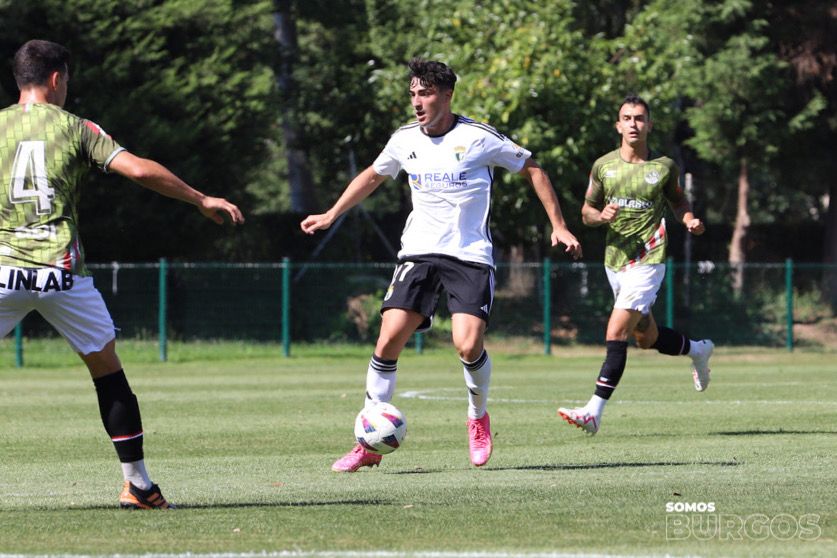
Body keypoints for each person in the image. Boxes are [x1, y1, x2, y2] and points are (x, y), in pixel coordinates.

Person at [301, 58, 582, 472]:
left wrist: (558, 225)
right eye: (413, 93)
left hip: (469, 255)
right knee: (387, 341)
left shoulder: (478, 137)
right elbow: (373, 176)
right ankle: (368, 444)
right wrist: (331, 214)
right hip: (418, 251)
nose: (417, 101)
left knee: (467, 345)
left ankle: (477, 417)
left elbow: (533, 167)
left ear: (447, 95)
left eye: (426, 93)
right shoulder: (403, 140)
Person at [0, 40, 244, 508]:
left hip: (5, 270)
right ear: (56, 79)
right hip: (61, 272)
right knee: (108, 374)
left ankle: (140, 485)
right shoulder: (76, 128)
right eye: (66, 80)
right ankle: (138, 484)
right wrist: (199, 198)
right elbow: (137, 170)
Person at [557, 95, 713, 436]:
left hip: (649, 261)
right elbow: (586, 212)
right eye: (626, 118)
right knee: (647, 338)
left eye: (639, 118)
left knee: (616, 332)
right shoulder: (603, 166)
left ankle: (593, 412)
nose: (633, 124)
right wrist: (601, 215)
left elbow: (679, 199)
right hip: (615, 262)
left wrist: (688, 219)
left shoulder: (663, 167)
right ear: (618, 125)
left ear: (649, 125)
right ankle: (699, 350)